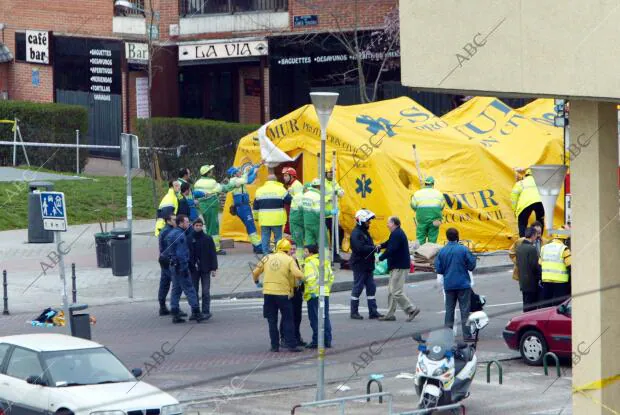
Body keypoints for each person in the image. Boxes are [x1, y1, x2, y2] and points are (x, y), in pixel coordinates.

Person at [252, 239, 304, 353]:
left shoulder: (267, 257)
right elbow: (297, 274)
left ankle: (274, 346)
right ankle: (291, 345)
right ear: (287, 249)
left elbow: (255, 272)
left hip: (268, 293)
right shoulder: (289, 259)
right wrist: (303, 278)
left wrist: (256, 282)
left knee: (272, 320)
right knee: (288, 319)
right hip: (283, 294)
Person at [434, 228, 476, 341]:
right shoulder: (463, 249)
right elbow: (471, 266)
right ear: (457, 236)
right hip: (463, 284)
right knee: (465, 310)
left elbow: (439, 269)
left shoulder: (442, 251)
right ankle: (467, 335)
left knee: (449, 311)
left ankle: (447, 336)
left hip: (449, 285)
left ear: (447, 237)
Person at [377, 216, 420, 322]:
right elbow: (389, 243)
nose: (387, 225)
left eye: (388, 223)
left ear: (394, 223)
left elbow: (391, 249)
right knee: (391, 291)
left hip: (399, 266)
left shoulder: (397, 234)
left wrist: (381, 258)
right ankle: (390, 314)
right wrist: (380, 246)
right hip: (396, 266)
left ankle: (411, 309)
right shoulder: (396, 233)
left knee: (396, 291)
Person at [165, 214, 206, 323]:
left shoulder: (172, 233)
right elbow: (181, 253)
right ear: (181, 223)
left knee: (176, 289)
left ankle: (175, 311)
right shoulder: (181, 236)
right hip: (180, 266)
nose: (188, 224)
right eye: (187, 222)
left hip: (173, 265)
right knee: (190, 289)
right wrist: (183, 267)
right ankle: (196, 312)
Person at [349, 209, 383, 320]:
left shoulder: (364, 232)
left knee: (371, 288)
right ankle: (354, 312)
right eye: (368, 221)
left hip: (367, 265)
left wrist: (374, 248)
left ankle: (373, 312)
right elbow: (359, 248)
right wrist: (373, 248)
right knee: (358, 287)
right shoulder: (356, 233)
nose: (370, 223)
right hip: (359, 265)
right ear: (361, 221)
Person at [303, 244, 334, 349]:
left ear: (311, 253)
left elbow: (310, 279)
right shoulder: (324, 261)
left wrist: (312, 292)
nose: (304, 254)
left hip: (314, 295)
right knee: (325, 317)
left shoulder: (308, 263)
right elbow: (331, 277)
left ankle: (317, 341)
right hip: (324, 293)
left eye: (306, 252)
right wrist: (326, 289)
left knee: (315, 319)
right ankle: (327, 340)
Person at [227, 163, 263, 254]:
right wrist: (254, 172)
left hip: (244, 206)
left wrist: (259, 164)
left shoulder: (239, 178)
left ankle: (256, 245)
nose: (240, 171)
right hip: (242, 207)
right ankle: (258, 247)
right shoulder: (234, 181)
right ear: (234, 174)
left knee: (249, 225)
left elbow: (249, 172)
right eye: (238, 171)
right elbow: (249, 179)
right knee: (250, 225)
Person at [194, 164, 229, 255]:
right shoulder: (212, 182)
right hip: (212, 205)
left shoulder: (197, 183)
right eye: (210, 171)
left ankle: (208, 246)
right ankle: (214, 248)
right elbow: (222, 189)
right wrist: (230, 184)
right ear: (208, 173)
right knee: (214, 227)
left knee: (209, 226)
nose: (212, 172)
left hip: (203, 206)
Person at [253, 174, 291, 255]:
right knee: (278, 238)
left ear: (267, 181)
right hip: (277, 219)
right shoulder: (281, 189)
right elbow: (289, 200)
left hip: (264, 219)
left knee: (265, 237)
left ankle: (265, 255)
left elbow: (255, 207)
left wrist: (256, 217)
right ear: (276, 181)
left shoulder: (259, 190)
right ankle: (278, 254)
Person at [189, 218, 218, 320]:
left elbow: (212, 254)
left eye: (200, 225)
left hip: (206, 269)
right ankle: (195, 311)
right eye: (196, 225)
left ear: (202, 226)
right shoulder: (189, 238)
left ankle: (206, 311)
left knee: (205, 291)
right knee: (194, 291)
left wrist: (214, 268)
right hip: (193, 269)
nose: (198, 227)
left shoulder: (208, 239)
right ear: (193, 226)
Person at [280, 241, 306, 347]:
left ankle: (296, 336)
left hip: (297, 291)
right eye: (290, 249)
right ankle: (284, 338)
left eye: (294, 249)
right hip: (287, 291)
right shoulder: (284, 261)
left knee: (297, 316)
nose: (292, 251)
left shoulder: (296, 260)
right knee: (287, 316)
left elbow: (300, 274)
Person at [410, 176, 445, 244]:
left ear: (425, 184)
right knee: (433, 238)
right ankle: (431, 253)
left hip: (422, 219)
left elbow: (413, 205)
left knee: (420, 237)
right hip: (435, 220)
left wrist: (418, 210)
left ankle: (420, 253)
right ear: (433, 184)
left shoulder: (417, 193)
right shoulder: (439, 194)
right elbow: (442, 207)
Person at [540, 233, 571, 307]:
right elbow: (570, 265)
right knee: (559, 306)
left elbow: (540, 264)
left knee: (546, 305)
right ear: (563, 239)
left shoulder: (544, 248)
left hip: (546, 280)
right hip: (560, 282)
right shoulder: (564, 249)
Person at [511, 167, 544, 237]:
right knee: (540, 221)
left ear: (525, 175)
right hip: (540, 202)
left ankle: (523, 241)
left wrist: (514, 209)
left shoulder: (521, 183)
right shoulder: (541, 182)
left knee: (522, 222)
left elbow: (514, 196)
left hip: (525, 204)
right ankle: (538, 238)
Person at [157, 213, 179, 316]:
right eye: (174, 220)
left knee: (164, 282)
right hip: (168, 260)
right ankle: (174, 307)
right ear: (168, 221)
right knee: (176, 283)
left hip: (163, 260)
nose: (176, 221)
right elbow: (170, 249)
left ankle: (162, 307)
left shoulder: (165, 230)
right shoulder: (168, 232)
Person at [516, 226, 542, 312]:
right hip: (531, 282)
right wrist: (540, 277)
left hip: (523, 282)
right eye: (536, 235)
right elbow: (535, 266)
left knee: (526, 303)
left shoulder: (519, 247)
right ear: (533, 235)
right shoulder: (531, 248)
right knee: (532, 307)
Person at [302, 179, 329, 253]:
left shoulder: (305, 194)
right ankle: (325, 262)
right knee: (323, 244)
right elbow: (319, 212)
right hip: (318, 223)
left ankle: (310, 262)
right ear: (319, 186)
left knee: (309, 245)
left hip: (307, 223)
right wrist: (331, 212)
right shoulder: (317, 196)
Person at [325, 167, 345, 262]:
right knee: (323, 236)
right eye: (330, 172)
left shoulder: (335, 182)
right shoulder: (321, 183)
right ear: (326, 173)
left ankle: (335, 255)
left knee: (335, 236)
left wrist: (338, 192)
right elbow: (320, 196)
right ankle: (323, 256)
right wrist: (330, 196)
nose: (332, 174)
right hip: (324, 215)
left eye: (333, 172)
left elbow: (342, 193)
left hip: (333, 215)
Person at [289, 183, 309, 267]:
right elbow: (302, 209)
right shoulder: (299, 197)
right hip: (297, 223)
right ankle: (299, 263)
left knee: (303, 242)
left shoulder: (305, 196)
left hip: (301, 222)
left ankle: (301, 261)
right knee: (299, 243)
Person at [282, 167, 303, 236]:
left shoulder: (297, 185)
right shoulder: (291, 185)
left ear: (292, 176)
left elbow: (299, 201)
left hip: (294, 215)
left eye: (286, 175)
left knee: (291, 234)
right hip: (290, 215)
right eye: (284, 176)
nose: (284, 177)